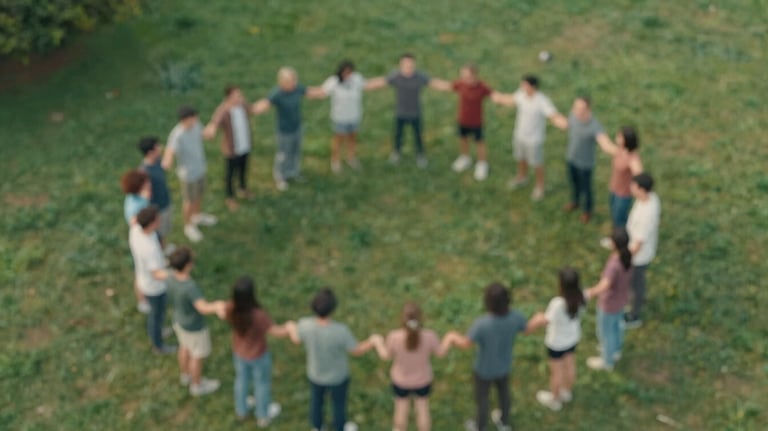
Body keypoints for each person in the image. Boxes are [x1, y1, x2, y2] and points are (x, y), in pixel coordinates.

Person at [286, 287, 379, 431]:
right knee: (338, 404)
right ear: (332, 309)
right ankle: (339, 427)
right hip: (338, 377)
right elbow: (356, 350)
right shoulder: (340, 331)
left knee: (316, 402)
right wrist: (372, 341)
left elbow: (296, 339)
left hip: (315, 373)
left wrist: (291, 327)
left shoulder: (305, 325)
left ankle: (317, 426)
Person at [442, 283, 528, 431]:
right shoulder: (516, 317)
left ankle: (480, 426)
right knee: (504, 394)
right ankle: (504, 421)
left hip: (484, 369)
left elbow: (466, 343)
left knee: (482, 399)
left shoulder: (482, 325)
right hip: (504, 365)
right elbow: (526, 328)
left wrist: (452, 337)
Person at [226, 276, 294, 426]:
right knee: (261, 383)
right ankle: (263, 415)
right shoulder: (258, 315)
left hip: (239, 352)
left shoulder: (230, 308)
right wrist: (289, 328)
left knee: (241, 380)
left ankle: (241, 409)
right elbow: (275, 331)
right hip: (258, 355)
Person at [371, 302, 450, 431]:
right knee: (423, 409)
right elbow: (440, 353)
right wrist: (449, 338)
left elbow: (385, 356)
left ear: (402, 318)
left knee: (401, 410)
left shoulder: (394, 336)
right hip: (423, 380)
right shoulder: (429, 336)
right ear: (420, 318)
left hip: (401, 381)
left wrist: (377, 342)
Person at [366, 53, 451, 168]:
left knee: (418, 136)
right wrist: (364, 85)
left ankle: (420, 155)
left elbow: (433, 83)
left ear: (414, 64)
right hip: (400, 113)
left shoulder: (420, 76)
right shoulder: (396, 76)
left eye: (410, 64)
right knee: (398, 135)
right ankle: (396, 153)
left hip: (415, 113)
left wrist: (453, 86)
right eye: (405, 64)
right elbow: (382, 82)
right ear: (401, 65)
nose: (408, 67)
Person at [166, 246, 228, 396]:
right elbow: (202, 307)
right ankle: (197, 385)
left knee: (184, 347)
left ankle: (185, 375)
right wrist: (218, 306)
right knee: (197, 355)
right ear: (187, 265)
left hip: (178, 320)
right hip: (194, 326)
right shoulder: (190, 287)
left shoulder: (169, 276)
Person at [251, 67, 325, 191]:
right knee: (283, 154)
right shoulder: (277, 94)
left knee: (296, 151)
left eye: (294, 80)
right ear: (282, 82)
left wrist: (323, 91)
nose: (294, 83)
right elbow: (265, 103)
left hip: (297, 127)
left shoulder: (297, 88)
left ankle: (293, 172)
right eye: (291, 81)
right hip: (284, 131)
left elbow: (309, 91)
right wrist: (252, 109)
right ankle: (280, 176)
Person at [525, 268, 585, 411]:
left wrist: (534, 321)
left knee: (556, 373)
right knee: (570, 365)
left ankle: (555, 399)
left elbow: (545, 320)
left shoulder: (558, 303)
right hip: (572, 338)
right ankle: (566, 391)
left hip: (557, 343)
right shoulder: (581, 297)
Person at [449, 63, 515, 181]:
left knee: (479, 143)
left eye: (466, 76)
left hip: (476, 122)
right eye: (462, 75)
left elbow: (495, 96)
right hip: (463, 119)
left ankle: (482, 164)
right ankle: (465, 158)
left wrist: (509, 100)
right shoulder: (461, 83)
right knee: (463, 138)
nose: (464, 78)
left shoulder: (481, 87)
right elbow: (448, 86)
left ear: (474, 76)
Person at [506, 75, 568, 201]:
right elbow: (511, 100)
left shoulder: (542, 101)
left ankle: (540, 187)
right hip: (519, 135)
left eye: (525, 85)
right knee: (520, 158)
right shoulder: (521, 94)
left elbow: (553, 115)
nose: (522, 87)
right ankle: (522, 177)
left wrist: (563, 123)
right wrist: (492, 95)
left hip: (534, 140)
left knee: (537, 164)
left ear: (533, 87)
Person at [163, 106, 218, 242]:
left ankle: (197, 216)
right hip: (188, 174)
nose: (196, 120)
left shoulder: (196, 125)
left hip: (200, 168)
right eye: (193, 118)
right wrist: (167, 161)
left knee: (199, 194)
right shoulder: (177, 135)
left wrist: (210, 132)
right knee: (188, 200)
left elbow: (203, 134)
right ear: (184, 120)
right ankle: (188, 226)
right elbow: (170, 150)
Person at [318, 60, 382, 174]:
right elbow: (322, 92)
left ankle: (351, 158)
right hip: (340, 118)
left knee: (352, 138)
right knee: (338, 139)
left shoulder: (356, 79)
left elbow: (368, 85)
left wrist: (386, 81)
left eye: (350, 72)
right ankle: (335, 161)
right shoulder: (333, 82)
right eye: (346, 72)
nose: (348, 75)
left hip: (354, 116)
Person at [584, 228, 634, 371]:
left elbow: (604, 285)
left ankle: (607, 361)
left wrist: (589, 292)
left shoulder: (614, 265)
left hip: (609, 303)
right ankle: (616, 350)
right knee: (617, 327)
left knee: (605, 332)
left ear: (614, 244)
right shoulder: (628, 256)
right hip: (622, 299)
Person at [128, 205, 174, 353]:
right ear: (151, 224)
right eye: (156, 219)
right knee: (157, 314)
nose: (159, 220)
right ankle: (158, 344)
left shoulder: (135, 230)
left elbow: (134, 219)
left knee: (156, 314)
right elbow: (156, 274)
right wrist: (174, 274)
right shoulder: (150, 249)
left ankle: (158, 330)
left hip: (143, 279)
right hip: (154, 287)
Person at [203, 86, 254, 211]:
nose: (240, 97)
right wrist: (211, 130)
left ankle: (242, 188)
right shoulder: (223, 110)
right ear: (229, 97)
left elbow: (251, 110)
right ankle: (230, 197)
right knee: (230, 174)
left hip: (244, 145)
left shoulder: (242, 105)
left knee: (243, 169)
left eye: (240, 95)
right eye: (237, 95)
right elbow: (215, 123)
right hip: (232, 149)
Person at [562, 96, 613, 223]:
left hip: (585, 165)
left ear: (588, 109)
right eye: (575, 107)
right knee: (574, 183)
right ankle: (575, 201)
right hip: (571, 158)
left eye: (580, 109)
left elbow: (605, 143)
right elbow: (567, 124)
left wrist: (620, 151)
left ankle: (587, 211)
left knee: (586, 189)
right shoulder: (573, 116)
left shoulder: (594, 126)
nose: (576, 111)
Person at [625, 173, 661, 328]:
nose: (631, 189)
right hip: (637, 248)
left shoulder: (647, 214)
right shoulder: (651, 198)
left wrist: (624, 257)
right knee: (635, 282)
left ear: (642, 190)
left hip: (638, 256)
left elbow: (638, 243)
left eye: (634, 187)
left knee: (637, 283)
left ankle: (634, 315)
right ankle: (635, 301)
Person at [597, 126, 643, 230]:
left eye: (620, 136)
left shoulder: (632, 158)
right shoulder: (620, 150)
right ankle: (621, 232)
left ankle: (621, 239)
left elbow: (639, 174)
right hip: (614, 189)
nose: (617, 137)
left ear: (626, 140)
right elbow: (607, 147)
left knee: (619, 219)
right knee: (615, 214)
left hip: (623, 195)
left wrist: (638, 190)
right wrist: (597, 132)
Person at [121, 169, 152, 313]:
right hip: (140, 240)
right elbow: (135, 223)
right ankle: (142, 301)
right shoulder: (134, 205)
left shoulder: (139, 197)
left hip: (147, 235)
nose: (148, 184)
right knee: (140, 272)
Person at [138, 137, 173, 250]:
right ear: (150, 152)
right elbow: (143, 195)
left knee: (164, 230)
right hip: (157, 208)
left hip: (165, 202)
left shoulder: (158, 161)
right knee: (159, 233)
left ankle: (164, 246)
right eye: (157, 147)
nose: (160, 148)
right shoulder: (144, 172)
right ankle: (161, 250)